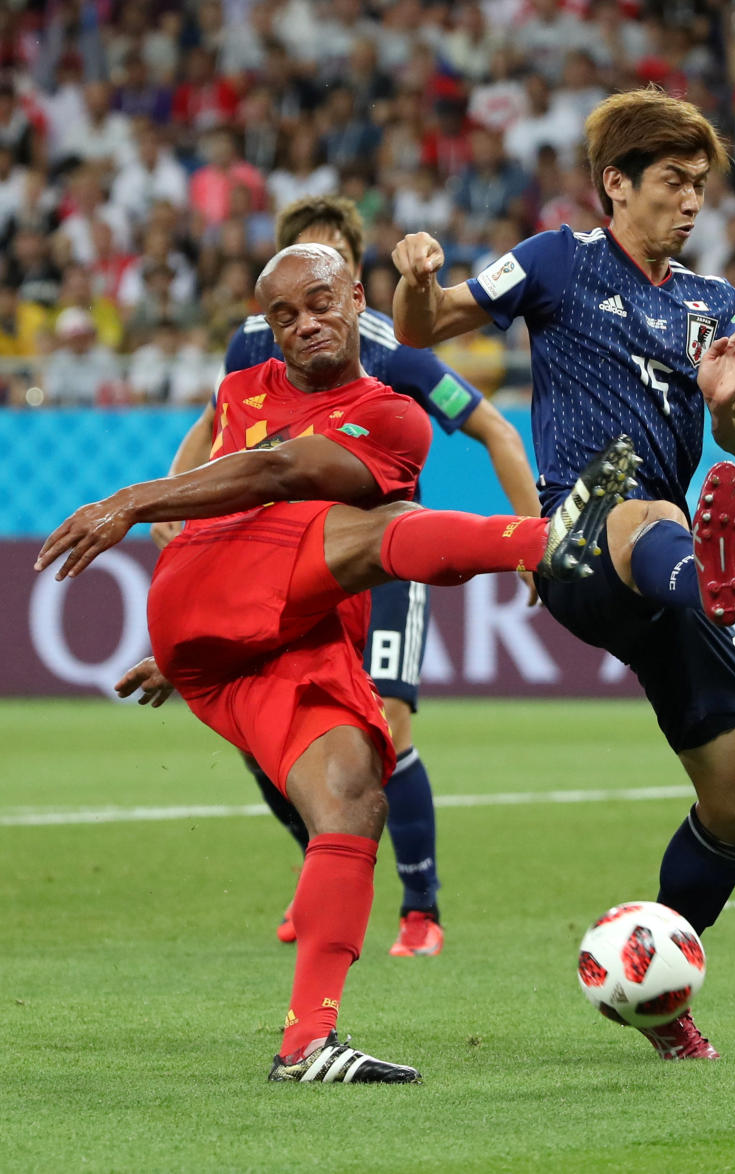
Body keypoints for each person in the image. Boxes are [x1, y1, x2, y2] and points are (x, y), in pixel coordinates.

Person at [35, 242, 638, 1083]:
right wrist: (139, 509)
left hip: (269, 641)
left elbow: (284, 469)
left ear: (359, 299)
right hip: (211, 603)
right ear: (268, 329)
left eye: (320, 302)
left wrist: (139, 516)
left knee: (354, 797)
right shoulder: (241, 390)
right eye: (283, 315)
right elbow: (238, 497)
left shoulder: (395, 414)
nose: (304, 324)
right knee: (380, 534)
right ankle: (548, 542)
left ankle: (306, 1044)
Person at [392, 87, 735, 1062]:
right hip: (576, 525)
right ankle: (707, 583)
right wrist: (413, 277)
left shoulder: (711, 301)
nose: (691, 202)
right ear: (616, 183)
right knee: (639, 497)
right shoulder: (560, 258)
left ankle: (657, 994)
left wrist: (728, 403)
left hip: (665, 557)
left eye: (701, 186)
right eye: (673, 183)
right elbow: (428, 326)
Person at [151, 195, 541, 958]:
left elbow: (493, 427)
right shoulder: (251, 345)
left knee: (388, 724)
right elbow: (215, 425)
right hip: (287, 562)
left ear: (353, 278)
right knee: (274, 734)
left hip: (385, 557)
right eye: (290, 281)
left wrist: (530, 535)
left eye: (325, 275)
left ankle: (420, 911)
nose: (304, 313)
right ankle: (326, 867)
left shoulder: (396, 354)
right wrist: (179, 495)